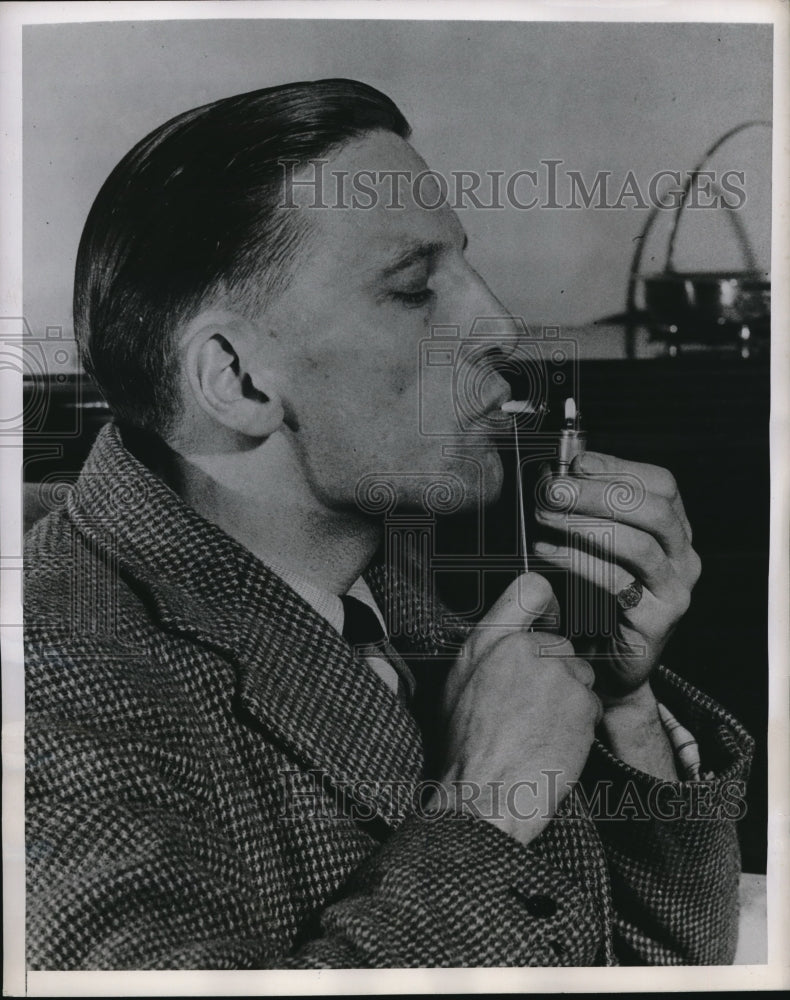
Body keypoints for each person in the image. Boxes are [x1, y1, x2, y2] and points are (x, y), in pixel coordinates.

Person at [25, 78, 753, 970]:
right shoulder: (54, 679)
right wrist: (485, 809)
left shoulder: (393, 609)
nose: (498, 325)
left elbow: (660, 970)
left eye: (463, 268)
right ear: (238, 380)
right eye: (413, 289)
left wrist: (621, 706)